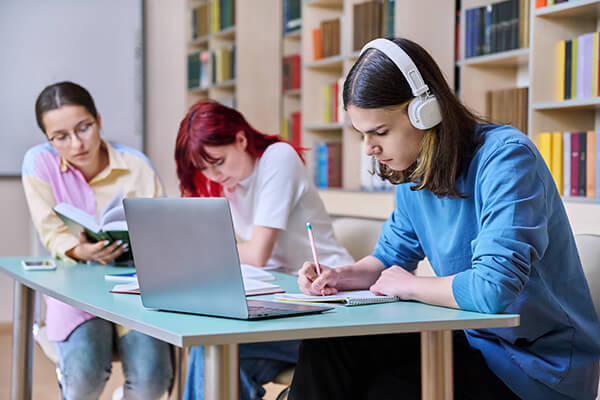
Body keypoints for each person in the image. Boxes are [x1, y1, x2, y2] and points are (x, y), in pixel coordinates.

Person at [288, 38, 600, 400]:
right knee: (332, 345)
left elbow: (492, 289)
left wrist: (410, 286)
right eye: (362, 134)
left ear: (427, 110)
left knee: (385, 388)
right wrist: (339, 277)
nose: (368, 148)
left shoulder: (507, 159)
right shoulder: (414, 173)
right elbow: (389, 260)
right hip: (472, 341)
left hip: (537, 370)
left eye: (380, 132)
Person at [175, 100, 354, 399]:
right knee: (215, 354)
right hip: (281, 299)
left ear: (241, 139)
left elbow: (257, 254)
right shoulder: (231, 183)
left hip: (325, 304)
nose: (214, 175)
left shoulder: (277, 158)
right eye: (204, 168)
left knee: (213, 348)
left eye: (218, 161)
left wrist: (200, 254)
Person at [22, 81, 173, 400]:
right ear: (48, 139)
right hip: (75, 289)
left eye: (84, 128)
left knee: (151, 382)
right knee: (85, 377)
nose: (76, 143)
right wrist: (81, 250)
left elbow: (162, 230)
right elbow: (51, 231)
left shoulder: (135, 165)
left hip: (135, 289)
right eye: (60, 137)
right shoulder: (39, 163)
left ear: (98, 120)